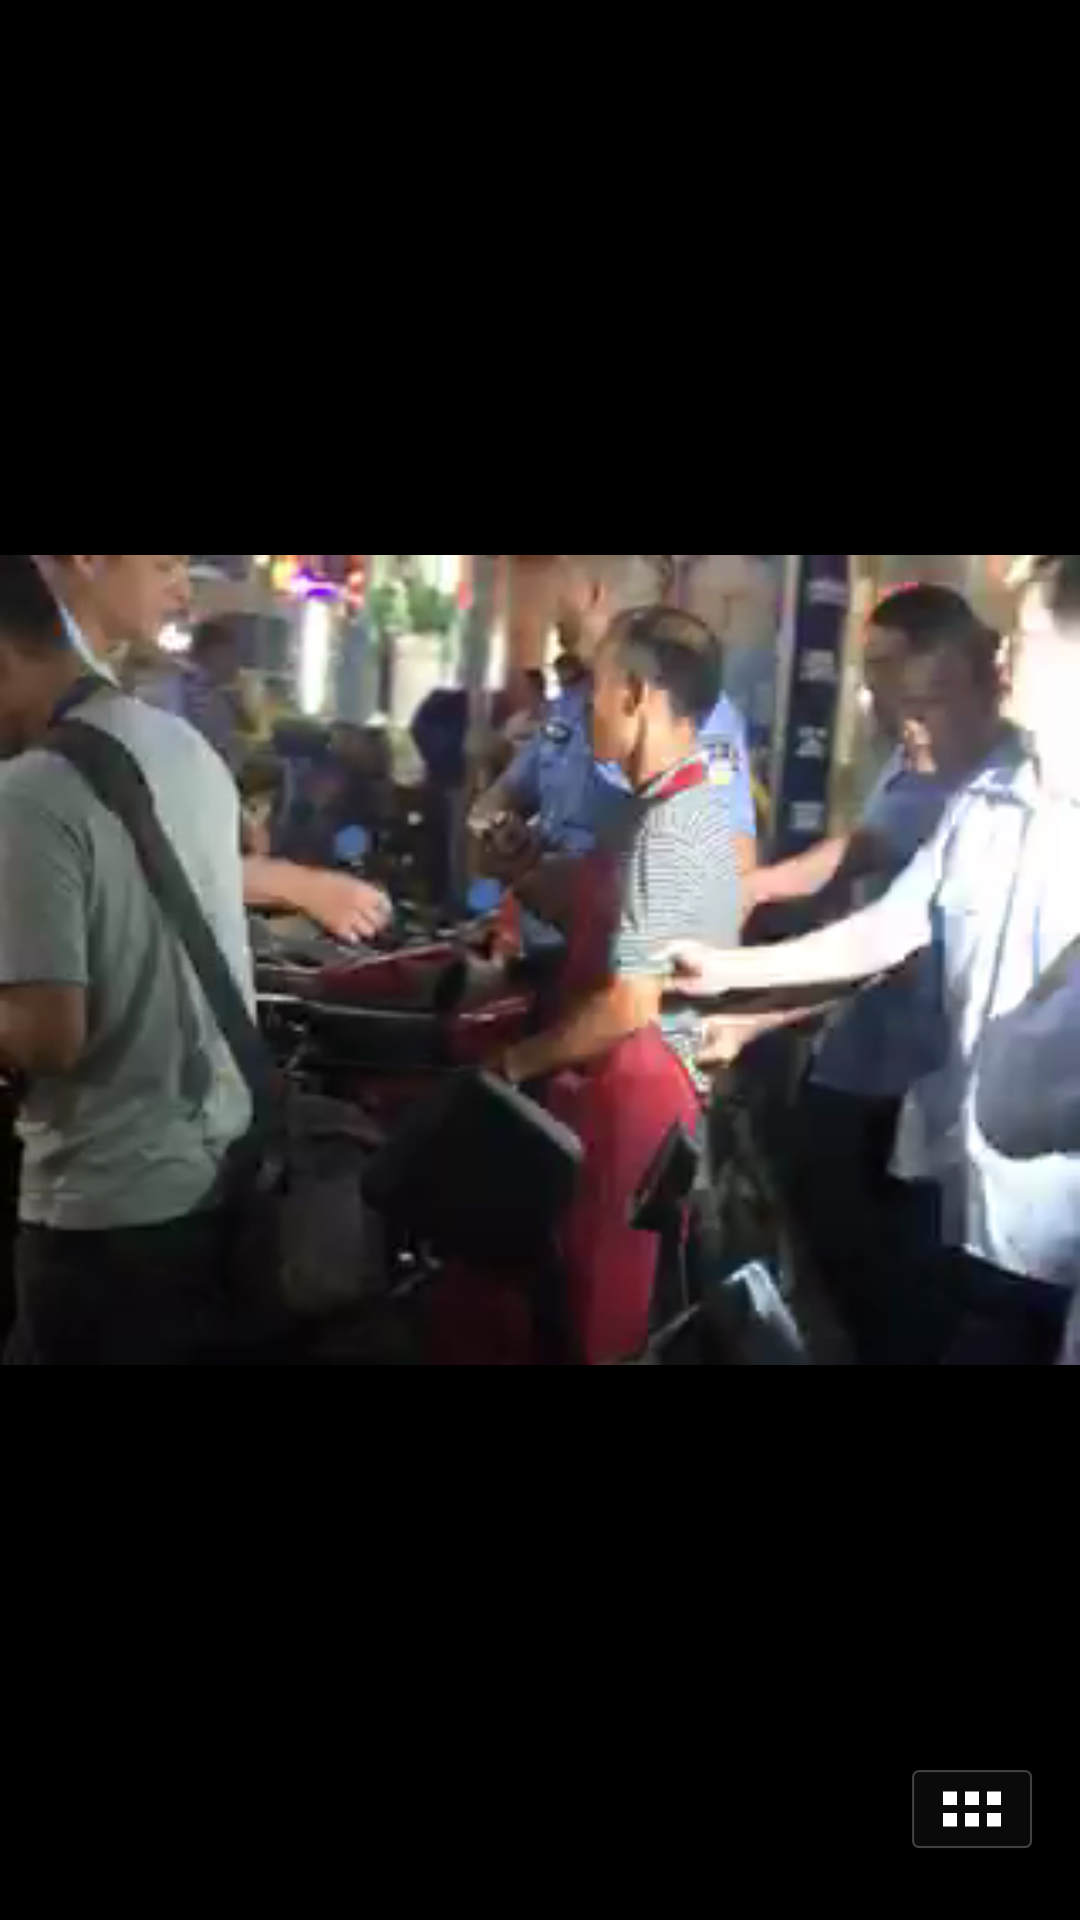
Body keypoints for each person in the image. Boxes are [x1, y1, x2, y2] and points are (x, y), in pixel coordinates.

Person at [663, 555, 1080, 1365]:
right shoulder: (987, 801)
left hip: (1059, 1236)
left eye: (1025, 637)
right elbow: (888, 928)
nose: (1004, 654)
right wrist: (728, 972)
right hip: (971, 1205)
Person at [742, 590, 1013, 1361]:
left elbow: (887, 921)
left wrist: (758, 987)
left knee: (904, 1279)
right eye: (874, 668)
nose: (882, 689)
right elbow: (881, 907)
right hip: (869, 1055)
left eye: (891, 664)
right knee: (831, 1228)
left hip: (932, 1084)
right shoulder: (923, 753)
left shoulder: (992, 783)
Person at [0, 555, 251, 1364]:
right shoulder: (179, 744)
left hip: (103, 1210)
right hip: (214, 1183)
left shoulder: (31, 791)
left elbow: (48, 1035)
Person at [36, 556, 391, 945]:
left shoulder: (121, 683)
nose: (184, 592)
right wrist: (295, 886)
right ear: (88, 560)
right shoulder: (47, 697)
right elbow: (105, 862)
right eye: (163, 566)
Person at [499, 606, 741, 1089]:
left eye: (599, 688)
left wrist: (510, 1065)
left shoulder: (673, 826)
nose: (590, 708)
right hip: (600, 1088)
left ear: (634, 695)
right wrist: (522, 870)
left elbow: (629, 1006)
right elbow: (606, 925)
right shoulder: (641, 809)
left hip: (638, 1103)